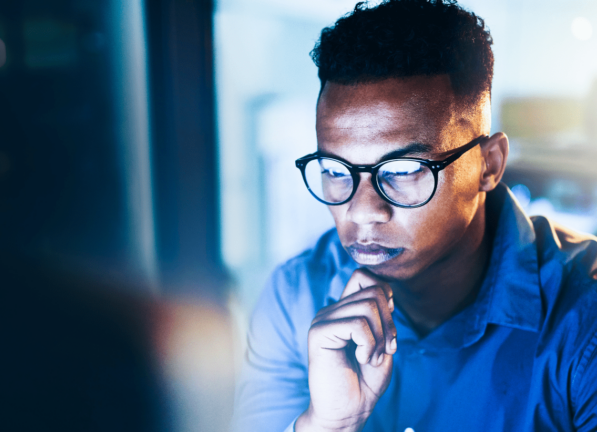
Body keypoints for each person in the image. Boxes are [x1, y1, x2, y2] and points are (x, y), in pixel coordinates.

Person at [232, 0, 597, 431]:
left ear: (489, 165)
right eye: (334, 170)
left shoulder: (583, 317)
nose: (363, 210)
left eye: (403, 171)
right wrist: (328, 424)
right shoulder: (296, 297)